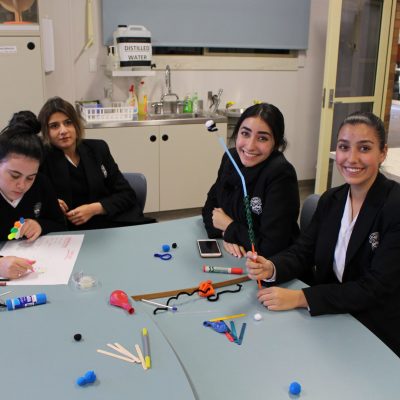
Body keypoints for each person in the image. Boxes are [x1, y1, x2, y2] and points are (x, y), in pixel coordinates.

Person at [246, 111, 400, 357]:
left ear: (382, 153)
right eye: (344, 147)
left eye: (364, 148)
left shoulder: (394, 206)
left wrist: (301, 298)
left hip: (375, 328)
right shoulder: (331, 200)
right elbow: (303, 251)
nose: (351, 158)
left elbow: (375, 288)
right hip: (331, 318)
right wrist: (272, 267)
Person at [38, 97, 154, 230]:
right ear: (46, 132)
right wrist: (49, 205)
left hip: (108, 223)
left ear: (76, 125)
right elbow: (33, 202)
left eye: (68, 122)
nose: (63, 131)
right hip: (69, 230)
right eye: (54, 126)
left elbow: (127, 194)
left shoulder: (98, 149)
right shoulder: (41, 158)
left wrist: (94, 209)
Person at [202, 103, 300, 258]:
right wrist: (227, 235)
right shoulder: (230, 158)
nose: (250, 146)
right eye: (245, 134)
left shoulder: (281, 175)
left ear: (276, 143)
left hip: (272, 265)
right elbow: (209, 209)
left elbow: (271, 246)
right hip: (237, 255)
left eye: (262, 138)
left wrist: (229, 227)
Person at [0, 114, 65, 279]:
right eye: (14, 175)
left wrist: (39, 225)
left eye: (30, 177)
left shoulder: (41, 184)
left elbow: (60, 224)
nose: (22, 185)